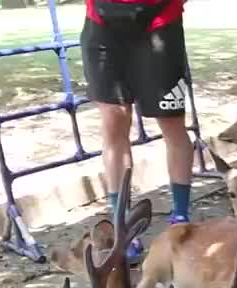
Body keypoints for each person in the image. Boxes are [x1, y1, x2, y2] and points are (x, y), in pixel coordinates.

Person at [81, 0, 193, 260]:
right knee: (114, 121)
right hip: (103, 23)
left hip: (160, 23)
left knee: (172, 123)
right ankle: (124, 225)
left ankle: (180, 219)